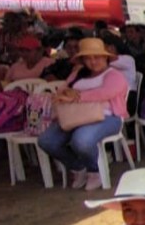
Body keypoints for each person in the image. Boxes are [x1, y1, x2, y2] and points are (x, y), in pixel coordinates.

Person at [38, 38, 129, 191]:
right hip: (75, 117)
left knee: (81, 140)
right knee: (46, 141)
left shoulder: (114, 75)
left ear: (105, 57)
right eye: (88, 58)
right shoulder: (78, 74)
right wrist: (66, 94)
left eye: (97, 57)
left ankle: (94, 170)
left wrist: (77, 96)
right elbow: (62, 90)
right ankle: (78, 167)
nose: (93, 61)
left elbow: (105, 93)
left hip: (107, 117)